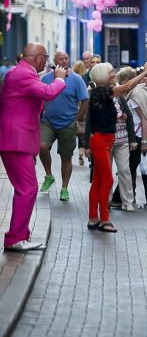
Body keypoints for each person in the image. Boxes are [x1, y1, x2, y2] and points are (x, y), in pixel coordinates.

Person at [0, 43, 67, 251]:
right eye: (46, 57)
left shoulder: (20, 72)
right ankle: (15, 238)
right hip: (16, 140)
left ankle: (19, 236)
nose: (47, 62)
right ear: (38, 57)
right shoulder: (23, 74)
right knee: (28, 189)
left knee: (26, 188)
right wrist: (59, 78)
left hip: (16, 140)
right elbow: (47, 93)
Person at [84, 62, 147, 232]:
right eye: (110, 72)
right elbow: (127, 86)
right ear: (101, 76)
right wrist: (144, 73)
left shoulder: (99, 92)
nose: (113, 74)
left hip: (104, 139)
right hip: (101, 141)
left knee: (98, 182)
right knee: (107, 180)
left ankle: (93, 218)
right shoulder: (102, 91)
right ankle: (104, 219)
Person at [39, 51, 89, 201]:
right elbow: (40, 97)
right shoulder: (46, 78)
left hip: (68, 123)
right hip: (48, 121)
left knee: (66, 157)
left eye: (66, 58)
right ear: (55, 61)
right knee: (41, 146)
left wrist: (77, 120)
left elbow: (85, 100)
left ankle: (64, 188)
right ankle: (49, 175)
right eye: (61, 59)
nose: (64, 61)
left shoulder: (76, 79)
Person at [113, 67, 147, 210]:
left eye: (121, 82)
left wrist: (144, 142)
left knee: (129, 168)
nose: (120, 86)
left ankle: (119, 198)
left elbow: (144, 119)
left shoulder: (134, 95)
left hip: (142, 135)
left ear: (127, 81)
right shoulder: (142, 89)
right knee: (146, 167)